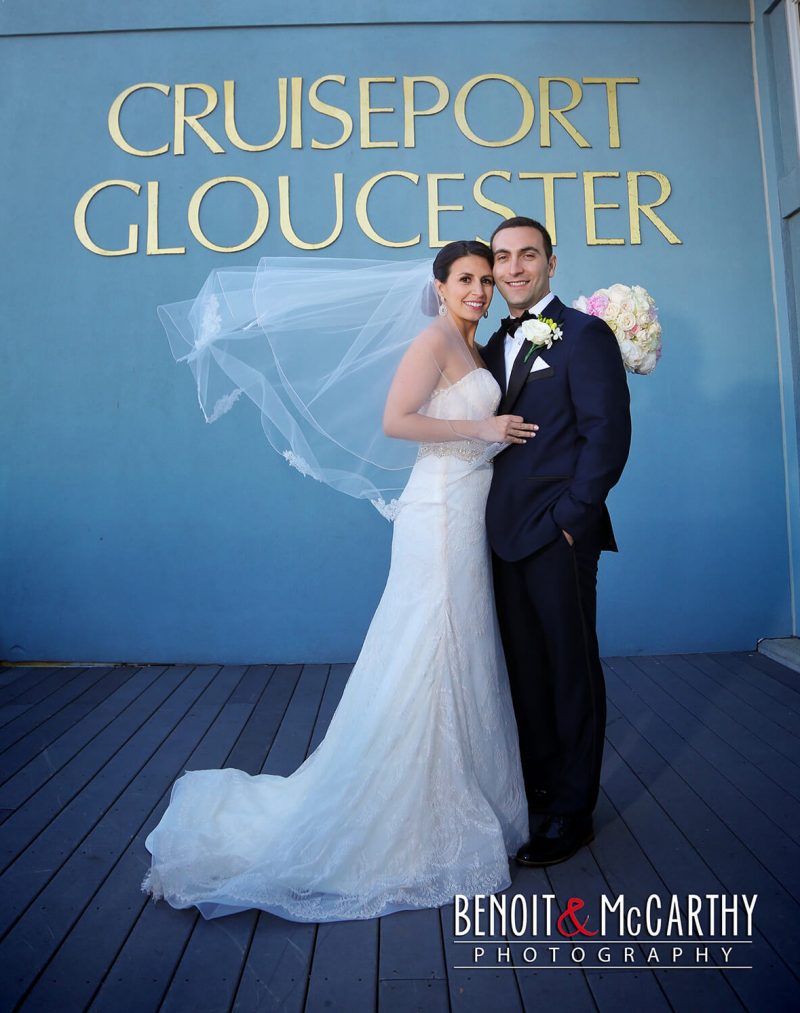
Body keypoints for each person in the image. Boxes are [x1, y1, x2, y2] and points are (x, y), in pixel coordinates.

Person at [142, 240, 536, 922]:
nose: (478, 289)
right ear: (439, 286)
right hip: (438, 512)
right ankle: (412, 803)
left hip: (468, 510)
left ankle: (463, 785)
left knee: (461, 643)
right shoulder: (435, 340)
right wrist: (485, 425)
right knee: (432, 643)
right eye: (465, 279)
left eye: (484, 278)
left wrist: (489, 431)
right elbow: (396, 420)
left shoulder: (476, 347)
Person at [482, 217, 632, 866]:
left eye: (527, 255)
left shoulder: (585, 334)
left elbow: (607, 434)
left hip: (558, 532)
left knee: (570, 670)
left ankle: (573, 811)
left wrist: (572, 517)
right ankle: (540, 788)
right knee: (525, 667)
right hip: (499, 534)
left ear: (551, 262)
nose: (514, 267)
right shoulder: (494, 342)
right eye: (503, 257)